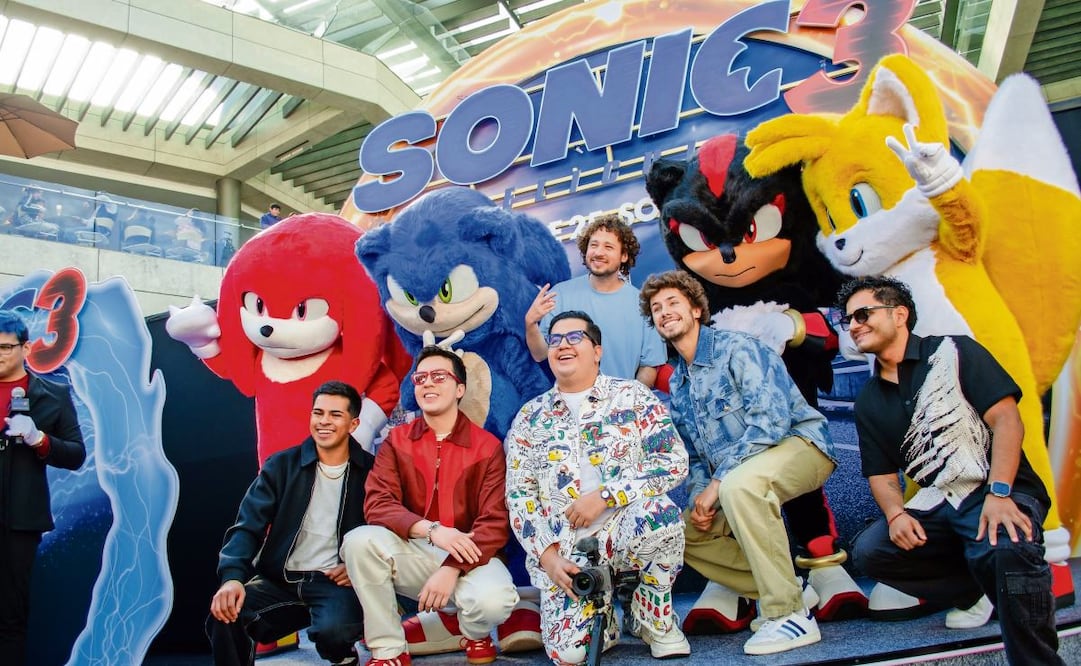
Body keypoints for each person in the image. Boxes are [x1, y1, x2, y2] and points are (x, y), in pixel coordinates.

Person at [838, 276, 1063, 666]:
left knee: (1007, 545)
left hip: (994, 488)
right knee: (871, 551)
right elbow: (881, 473)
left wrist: (1000, 493)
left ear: (899, 314)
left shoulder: (955, 351)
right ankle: (975, 591)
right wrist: (895, 515)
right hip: (937, 500)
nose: (854, 325)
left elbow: (1007, 419)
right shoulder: (869, 400)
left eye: (862, 314)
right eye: (848, 320)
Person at [640, 271, 836, 656]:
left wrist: (718, 483)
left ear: (697, 309)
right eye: (656, 309)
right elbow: (697, 457)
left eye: (673, 303)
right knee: (680, 534)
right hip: (740, 474)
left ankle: (788, 614)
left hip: (801, 445)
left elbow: (771, 421)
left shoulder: (738, 348)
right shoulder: (678, 385)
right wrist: (701, 497)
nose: (664, 313)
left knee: (738, 486)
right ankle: (788, 588)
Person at [506, 310, 690, 664]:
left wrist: (607, 496)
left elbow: (673, 461)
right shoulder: (530, 417)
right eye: (555, 339)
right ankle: (603, 616)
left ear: (597, 350)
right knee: (570, 657)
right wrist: (549, 558)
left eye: (574, 337)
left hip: (626, 528)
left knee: (662, 517)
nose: (562, 345)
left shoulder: (633, 397)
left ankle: (651, 612)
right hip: (568, 550)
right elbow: (519, 496)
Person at [341, 346, 518, 666]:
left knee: (496, 601)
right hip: (414, 548)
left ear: (460, 388)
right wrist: (433, 531)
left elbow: (495, 523)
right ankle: (389, 650)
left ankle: (473, 632)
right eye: (420, 378)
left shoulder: (487, 446)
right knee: (358, 541)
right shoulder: (397, 441)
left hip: (471, 554)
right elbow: (378, 504)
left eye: (439, 376)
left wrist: (451, 567)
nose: (427, 384)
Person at [207, 380, 372, 666]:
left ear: (353, 424)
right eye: (318, 413)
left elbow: (386, 527)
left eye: (335, 415)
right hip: (280, 580)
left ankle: (343, 656)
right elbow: (247, 526)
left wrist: (359, 565)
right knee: (225, 614)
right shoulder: (281, 466)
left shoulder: (371, 471)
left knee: (334, 633)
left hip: (335, 582)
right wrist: (232, 577)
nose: (323, 421)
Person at [0, 310, 87, 664]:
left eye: (5, 347)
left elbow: (76, 454)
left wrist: (39, 440)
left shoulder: (52, 393)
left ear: (26, 347)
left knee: (9, 613)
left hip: (20, 519)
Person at [525, 214, 665, 387]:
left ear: (624, 256)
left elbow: (649, 366)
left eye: (608, 247)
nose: (599, 252)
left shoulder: (643, 304)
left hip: (620, 409)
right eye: (594, 245)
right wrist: (530, 324)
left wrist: (625, 403)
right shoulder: (559, 295)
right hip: (569, 408)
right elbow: (540, 354)